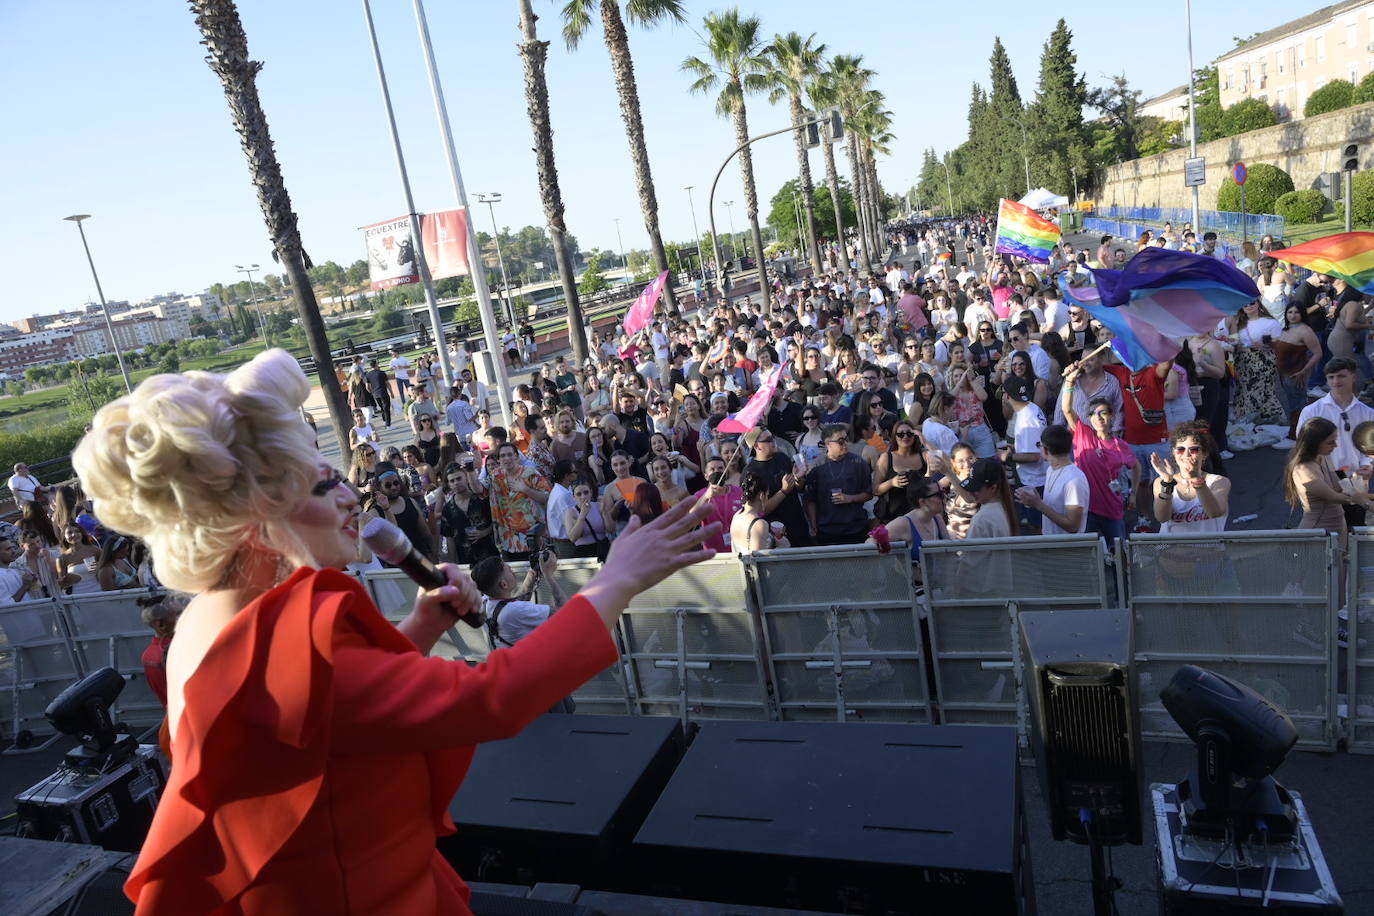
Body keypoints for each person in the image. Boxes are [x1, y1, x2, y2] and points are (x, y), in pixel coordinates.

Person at [74, 348, 722, 913]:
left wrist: (418, 628)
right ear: (256, 519)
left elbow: (321, 726)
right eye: (323, 483)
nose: (352, 496)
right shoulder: (276, 640)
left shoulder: (206, 625)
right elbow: (489, 699)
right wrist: (616, 581)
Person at [1061, 365, 1138, 546]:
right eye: (1094, 414)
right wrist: (1070, 381)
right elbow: (1066, 409)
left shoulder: (1121, 446)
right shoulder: (1082, 433)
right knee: (1087, 557)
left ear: (1111, 416)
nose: (1099, 418)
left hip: (1113, 509)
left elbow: (1136, 466)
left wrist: (1133, 493)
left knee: (1120, 555)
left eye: (1103, 412)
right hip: (1086, 509)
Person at [1298, 357, 1374, 530]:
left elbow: (1370, 447)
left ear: (1353, 377)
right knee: (1325, 526)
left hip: (1356, 476)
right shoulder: (1312, 411)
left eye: (1341, 376)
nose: (1335, 381)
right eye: (1331, 377)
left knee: (1354, 526)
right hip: (1324, 477)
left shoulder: (1367, 412)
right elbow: (1303, 447)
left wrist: (1367, 468)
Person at [1285, 417, 1368, 551]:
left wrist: (1357, 478)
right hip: (1318, 531)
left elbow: (1339, 486)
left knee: (1340, 569)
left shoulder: (1323, 456)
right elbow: (1334, 497)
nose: (1335, 446)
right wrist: (1365, 502)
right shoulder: (1304, 470)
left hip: (1337, 526)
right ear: (1315, 443)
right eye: (1330, 442)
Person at [469, 553, 566, 651]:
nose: (513, 572)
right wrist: (548, 574)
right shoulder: (516, 610)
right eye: (510, 571)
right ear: (504, 584)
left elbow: (507, 604)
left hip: (503, 661)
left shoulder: (484, 603)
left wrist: (531, 577)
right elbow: (564, 611)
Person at [1150, 422, 1230, 533]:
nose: (1186, 454)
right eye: (1180, 449)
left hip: (1209, 549)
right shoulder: (1161, 482)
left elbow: (1215, 512)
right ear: (1174, 453)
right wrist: (1168, 482)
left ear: (1205, 453)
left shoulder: (1219, 482)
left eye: (1194, 449)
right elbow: (1162, 518)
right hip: (1171, 549)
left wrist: (1196, 479)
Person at [805, 423, 873, 546]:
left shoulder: (858, 463)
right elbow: (811, 499)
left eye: (846, 439)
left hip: (855, 528)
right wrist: (813, 526)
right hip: (826, 531)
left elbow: (868, 493)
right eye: (841, 441)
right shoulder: (817, 466)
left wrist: (850, 498)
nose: (845, 444)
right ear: (827, 443)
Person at [1015, 425, 1089, 536]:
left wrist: (1038, 504)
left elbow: (1073, 526)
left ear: (1045, 450)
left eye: (1038, 445)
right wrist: (1035, 499)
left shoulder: (1074, 481)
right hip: (1052, 543)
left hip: (1068, 549)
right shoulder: (1050, 469)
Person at [488, 442, 552, 559]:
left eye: (510, 454)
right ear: (498, 460)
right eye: (503, 456)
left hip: (533, 537)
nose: (507, 458)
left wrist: (525, 489)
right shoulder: (495, 476)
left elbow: (547, 496)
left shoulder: (530, 473)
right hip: (509, 541)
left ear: (516, 456)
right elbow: (479, 490)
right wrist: (471, 470)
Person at [1272, 303, 1322, 446]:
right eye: (1290, 312)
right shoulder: (1285, 329)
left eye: (1297, 312)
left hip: (1297, 373)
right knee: (1290, 403)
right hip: (1283, 373)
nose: (1293, 315)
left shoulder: (1305, 331)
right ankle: (1294, 430)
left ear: (1302, 314)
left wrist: (1304, 371)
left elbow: (1318, 353)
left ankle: (1295, 437)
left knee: (1297, 404)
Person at [438, 462, 497, 565]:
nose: (456, 483)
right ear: (448, 484)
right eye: (452, 481)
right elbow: (449, 537)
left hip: (489, 554)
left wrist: (483, 533)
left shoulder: (481, 499)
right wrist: (453, 562)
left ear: (466, 478)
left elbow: (497, 522)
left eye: (459, 478)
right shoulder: (447, 509)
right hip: (465, 559)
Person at [139, 592, 185, 709]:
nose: (186, 616)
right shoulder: (177, 650)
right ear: (161, 625)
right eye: (179, 614)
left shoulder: (148, 654)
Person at [731, 471, 790, 552]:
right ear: (761, 496)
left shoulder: (737, 515)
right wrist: (782, 547)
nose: (767, 499)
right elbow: (758, 560)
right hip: (749, 564)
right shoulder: (759, 524)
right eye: (767, 495)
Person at [363, 358, 392, 428]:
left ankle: (384, 421)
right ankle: (388, 425)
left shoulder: (368, 375)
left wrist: (372, 392)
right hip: (383, 392)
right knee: (386, 409)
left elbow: (367, 387)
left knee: (382, 408)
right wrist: (391, 392)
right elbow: (387, 384)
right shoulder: (381, 373)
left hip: (375, 394)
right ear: (376, 365)